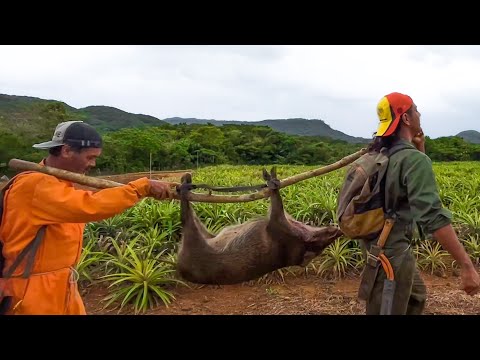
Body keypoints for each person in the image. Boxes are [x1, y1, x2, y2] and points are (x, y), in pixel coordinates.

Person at [0, 120, 177, 315]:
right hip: (32, 290)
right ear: (66, 151)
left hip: (63, 283)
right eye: (90, 157)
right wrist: (141, 187)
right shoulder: (35, 184)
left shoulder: (58, 184)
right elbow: (91, 206)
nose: (93, 164)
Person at [359, 92, 480, 315]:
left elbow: (403, 191)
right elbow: (432, 216)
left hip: (378, 246)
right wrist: (467, 265)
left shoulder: (381, 154)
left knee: (416, 297)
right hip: (391, 256)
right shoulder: (412, 160)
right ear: (406, 118)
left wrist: (418, 147)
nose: (420, 113)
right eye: (415, 109)